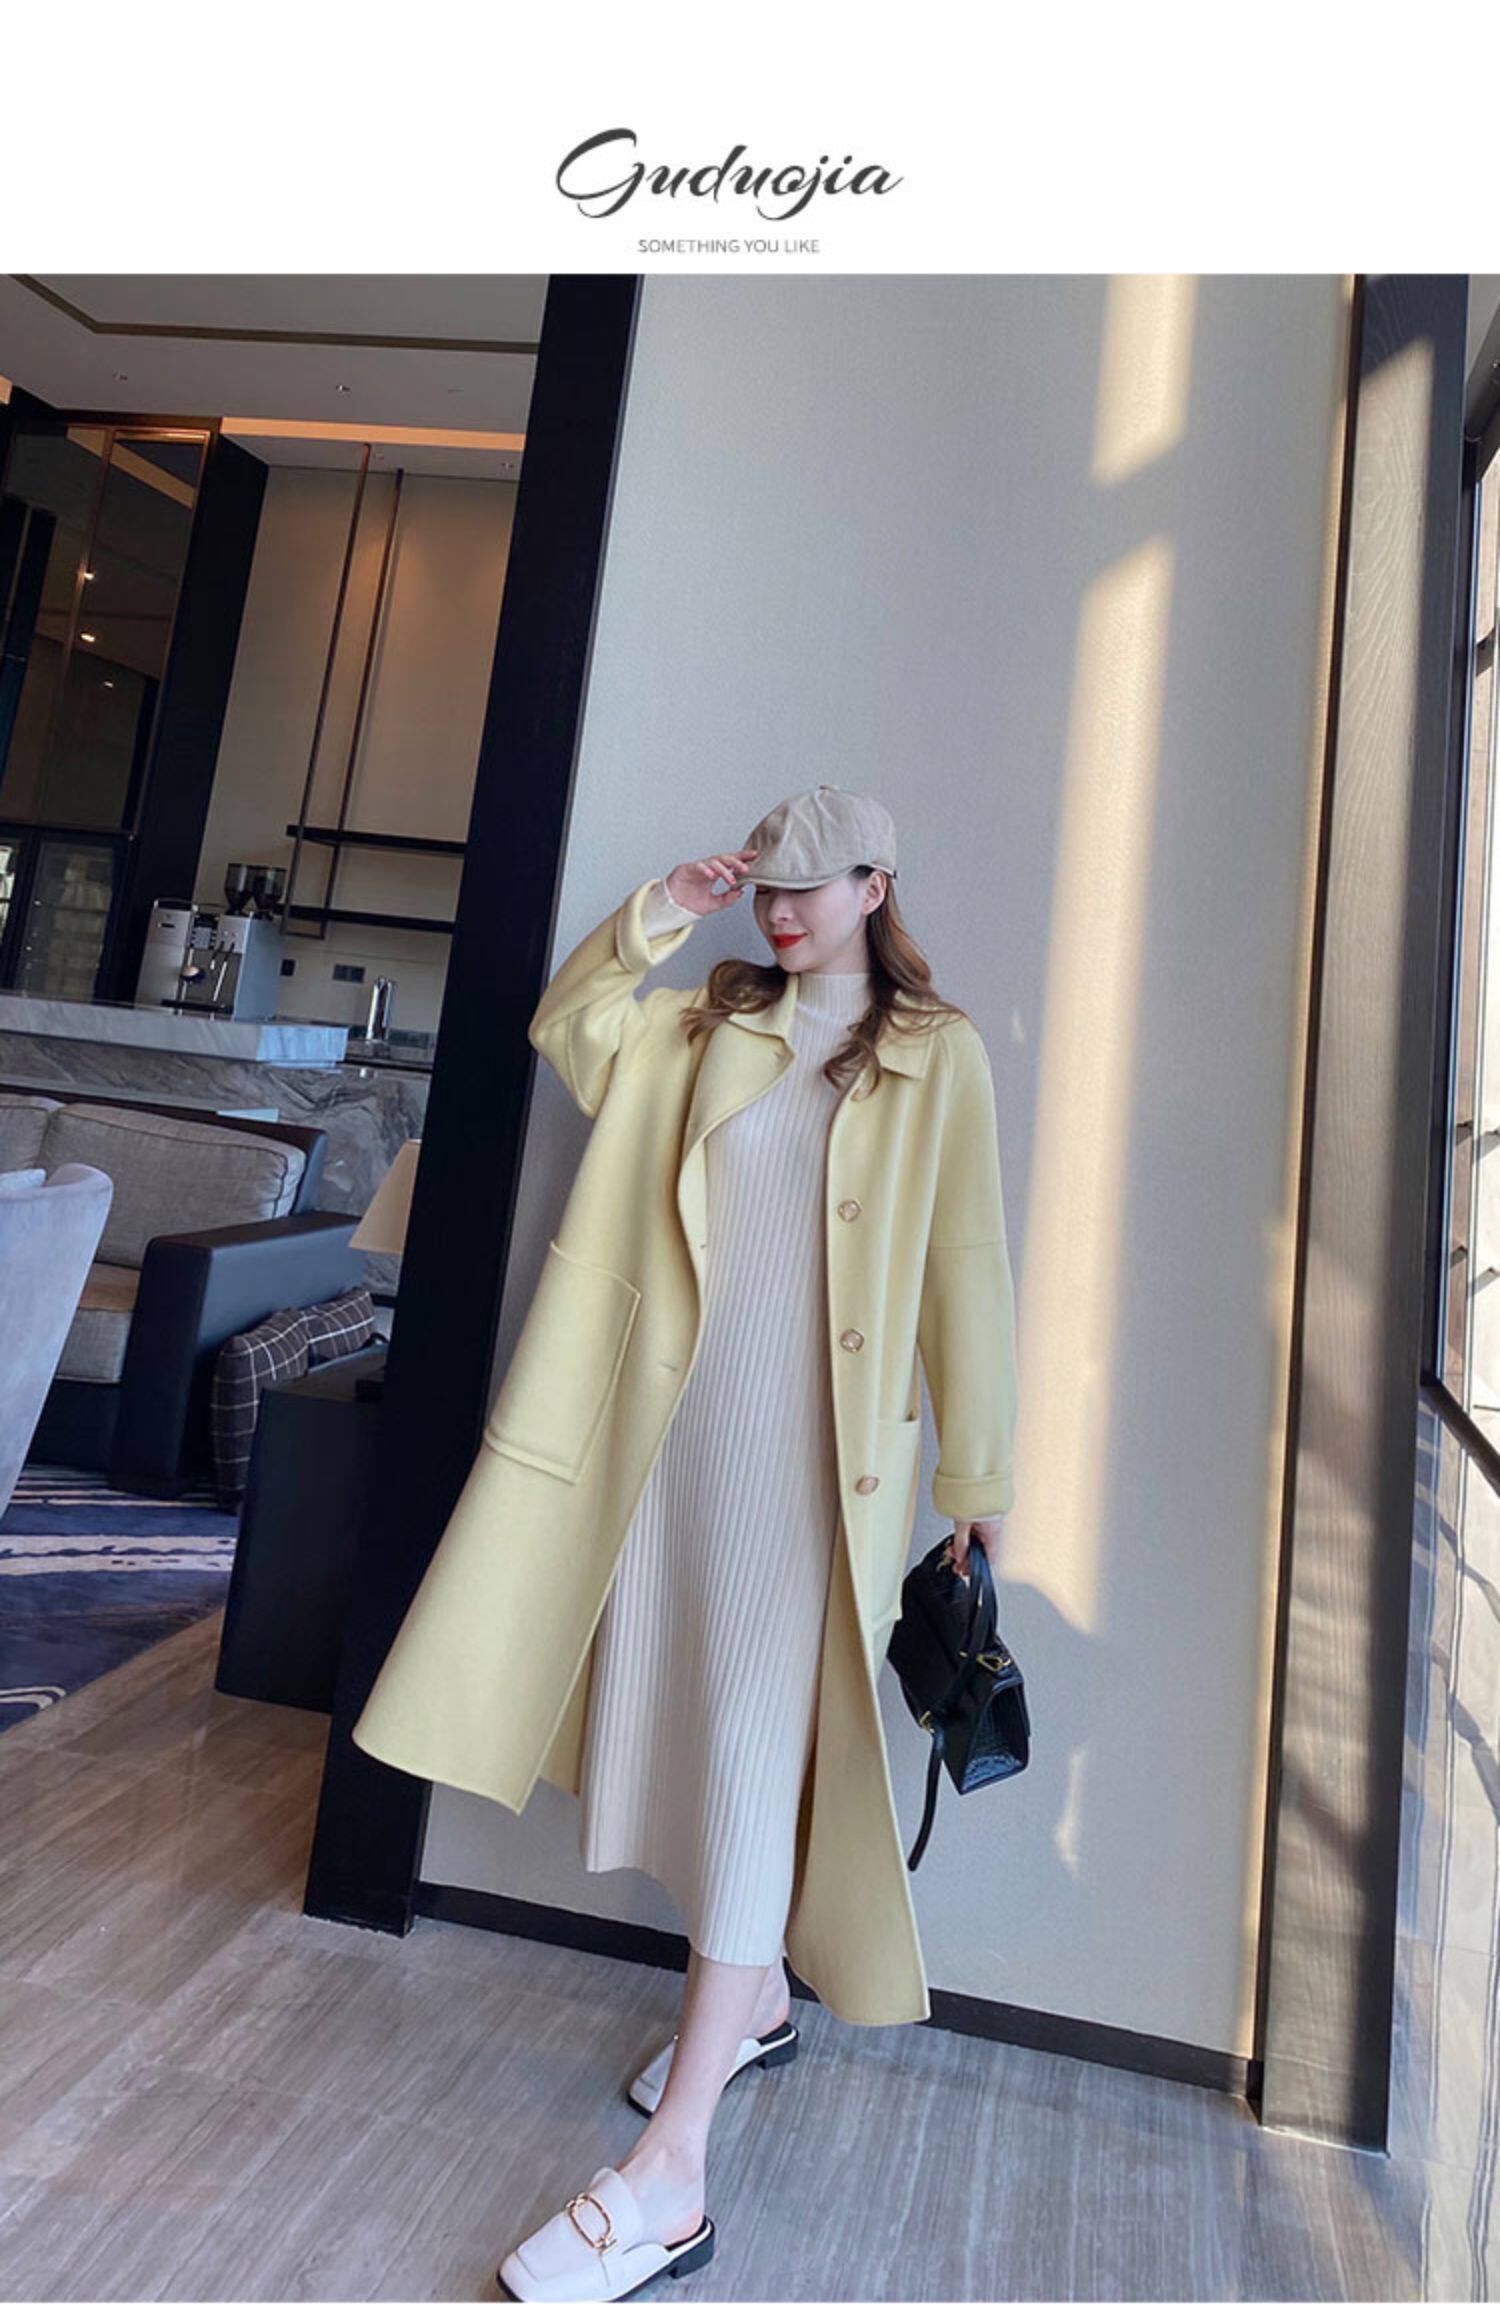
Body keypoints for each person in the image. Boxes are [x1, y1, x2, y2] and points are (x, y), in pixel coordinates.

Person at [478, 786, 1015, 2301]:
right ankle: (756, 1992)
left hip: (819, 1472)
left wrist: (978, 1470)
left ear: (875, 885)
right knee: (692, 1733)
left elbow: (967, 1260)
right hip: (676, 1446)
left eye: (808, 887)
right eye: (764, 887)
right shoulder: (707, 1025)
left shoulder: (937, 1051)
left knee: (750, 1761)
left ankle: (673, 2176)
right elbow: (568, 1025)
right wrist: (665, 903)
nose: (779, 912)